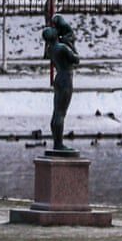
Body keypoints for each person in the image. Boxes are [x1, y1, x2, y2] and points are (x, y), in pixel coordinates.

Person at [41, 15, 80, 154]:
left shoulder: (50, 49)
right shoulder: (62, 47)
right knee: (61, 113)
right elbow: (76, 59)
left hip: (58, 78)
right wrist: (71, 43)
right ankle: (59, 144)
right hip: (66, 78)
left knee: (56, 112)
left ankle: (57, 142)